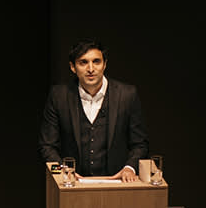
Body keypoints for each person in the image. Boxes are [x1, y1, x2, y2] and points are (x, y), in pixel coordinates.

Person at [38, 39, 149, 182]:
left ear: (105, 64)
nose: (91, 69)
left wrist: (130, 168)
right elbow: (46, 147)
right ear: (72, 67)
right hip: (72, 187)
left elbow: (140, 144)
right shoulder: (58, 96)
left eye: (96, 61)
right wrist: (61, 170)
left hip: (117, 184)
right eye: (83, 62)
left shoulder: (127, 95)